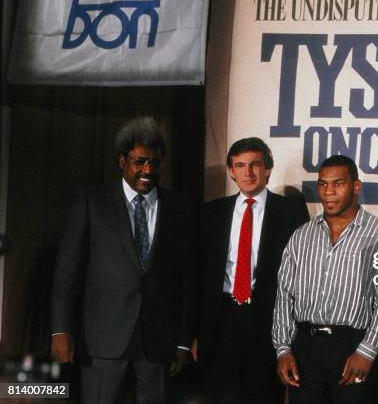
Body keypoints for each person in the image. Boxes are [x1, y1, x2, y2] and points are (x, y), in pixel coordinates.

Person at [51, 116, 196, 403]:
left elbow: (187, 280)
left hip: (158, 343)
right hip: (102, 340)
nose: (147, 170)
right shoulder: (92, 202)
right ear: (122, 161)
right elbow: (68, 271)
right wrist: (60, 329)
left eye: (154, 163)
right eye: (140, 161)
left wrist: (182, 341)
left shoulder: (181, 209)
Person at [273, 155, 378, 404]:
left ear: (356, 187)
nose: (328, 192)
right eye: (322, 184)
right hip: (305, 350)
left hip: (354, 348)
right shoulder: (302, 236)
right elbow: (284, 296)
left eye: (338, 183)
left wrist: (367, 351)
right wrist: (283, 348)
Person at [197, 137, 309, 404]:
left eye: (255, 165)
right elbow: (198, 276)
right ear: (231, 171)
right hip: (221, 322)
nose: (248, 173)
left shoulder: (290, 213)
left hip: (268, 323)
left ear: (267, 169)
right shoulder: (211, 213)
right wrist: (194, 333)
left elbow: (302, 275)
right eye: (240, 165)